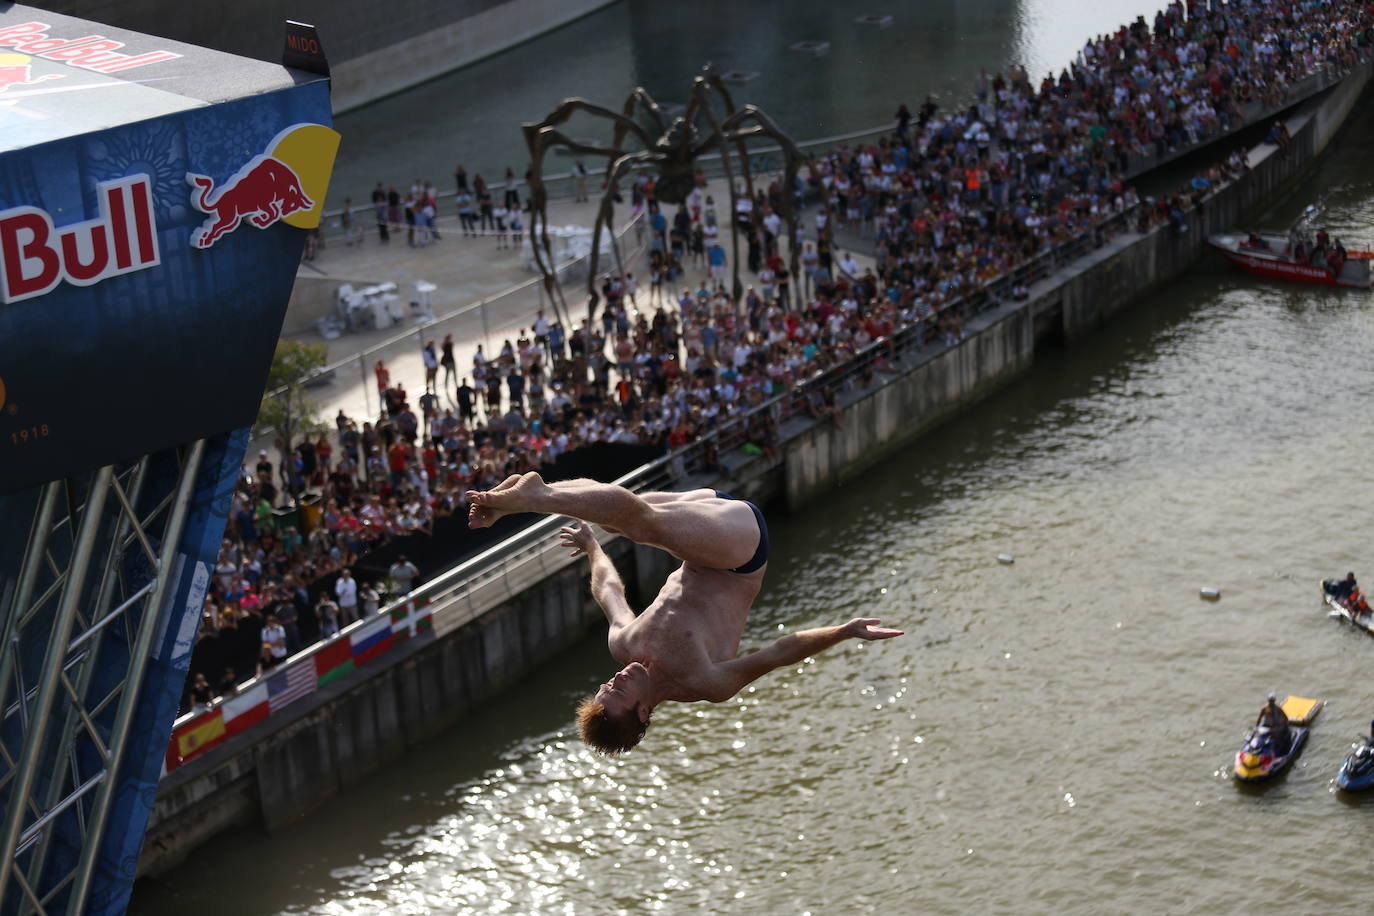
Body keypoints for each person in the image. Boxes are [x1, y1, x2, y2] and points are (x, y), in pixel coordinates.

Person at [466, 473, 903, 754]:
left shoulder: (626, 646)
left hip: (704, 527)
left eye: (606, 686)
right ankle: (535, 496)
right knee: (642, 524)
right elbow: (778, 652)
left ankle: (533, 492)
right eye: (619, 691)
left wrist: (593, 548)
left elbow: (609, 592)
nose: (614, 679)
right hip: (739, 553)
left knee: (618, 521)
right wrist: (843, 631)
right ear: (642, 713)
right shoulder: (705, 682)